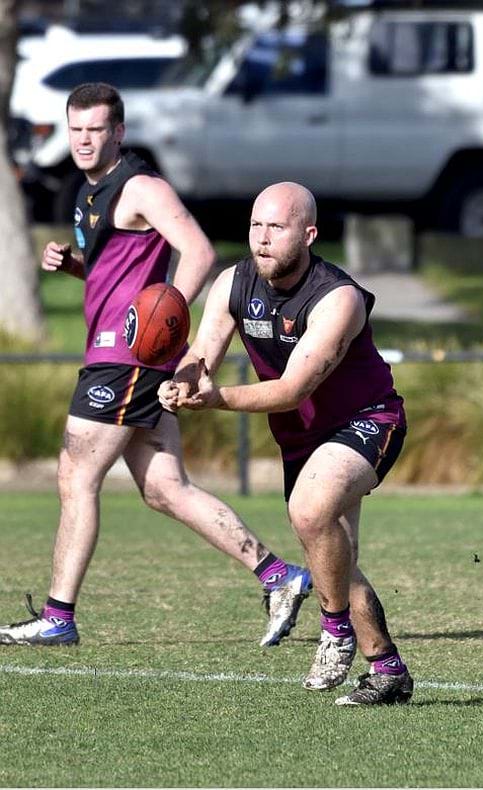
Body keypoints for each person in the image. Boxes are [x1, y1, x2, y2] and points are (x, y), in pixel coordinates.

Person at [0, 83, 312, 649]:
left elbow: (198, 251)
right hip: (120, 355)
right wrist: (75, 266)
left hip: (126, 359)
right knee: (166, 489)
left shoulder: (141, 186)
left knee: (76, 476)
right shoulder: (86, 193)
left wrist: (166, 317)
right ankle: (280, 576)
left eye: (96, 130)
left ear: (118, 131)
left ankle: (58, 615)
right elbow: (117, 278)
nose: (84, 140)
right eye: (76, 130)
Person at [162, 182, 413, 706]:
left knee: (308, 509)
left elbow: (292, 389)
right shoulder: (233, 283)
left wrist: (214, 399)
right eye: (255, 225)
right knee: (333, 555)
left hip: (369, 420)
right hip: (302, 437)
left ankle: (335, 632)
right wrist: (183, 381)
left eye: (276, 227)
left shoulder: (337, 297)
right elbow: (202, 353)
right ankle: (387, 670)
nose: (262, 238)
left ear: (309, 233)